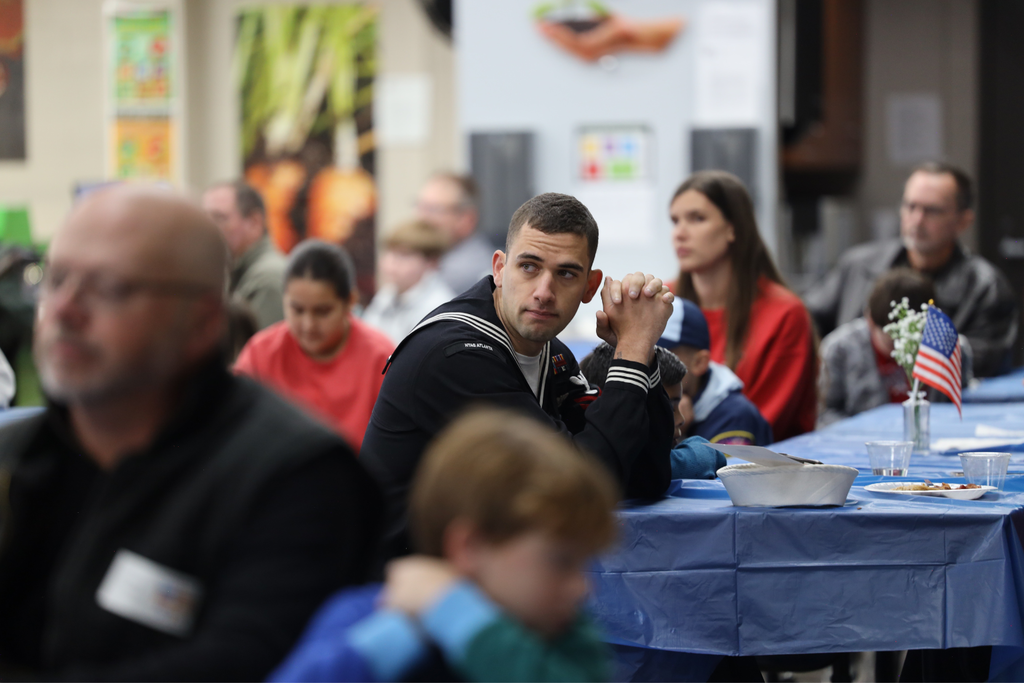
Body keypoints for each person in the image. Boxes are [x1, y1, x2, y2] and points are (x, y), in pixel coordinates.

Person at [0, 186, 382, 681]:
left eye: (110, 287)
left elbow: (238, 665)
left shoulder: (299, 478)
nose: (65, 311)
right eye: (54, 280)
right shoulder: (20, 458)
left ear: (202, 321)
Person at [362, 192, 675, 565]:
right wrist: (633, 350)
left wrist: (641, 352)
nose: (544, 292)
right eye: (529, 267)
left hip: (471, 579)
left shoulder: (548, 351)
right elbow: (578, 487)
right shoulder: (456, 356)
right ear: (499, 268)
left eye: (566, 273)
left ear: (590, 288)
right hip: (398, 595)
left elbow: (646, 476)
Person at [270, 409, 618, 682]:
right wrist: (408, 630)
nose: (582, 588)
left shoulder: (568, 641)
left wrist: (455, 614)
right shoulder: (367, 614)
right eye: (560, 561)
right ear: (469, 547)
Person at [805, 162, 1018, 377]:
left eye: (932, 210)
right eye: (910, 206)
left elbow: (984, 362)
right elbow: (805, 322)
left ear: (963, 220)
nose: (917, 220)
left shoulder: (985, 287)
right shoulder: (859, 266)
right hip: (854, 402)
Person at [670, 170, 816, 440]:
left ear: (732, 228)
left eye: (697, 218)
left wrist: (673, 430)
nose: (679, 233)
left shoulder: (784, 314)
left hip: (762, 470)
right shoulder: (662, 300)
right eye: (675, 220)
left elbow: (753, 428)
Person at [234, 240, 395, 450]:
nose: (308, 325)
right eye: (297, 310)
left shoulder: (381, 358)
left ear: (350, 301)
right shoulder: (260, 353)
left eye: (322, 311)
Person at [818, 268, 974, 426]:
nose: (905, 349)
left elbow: (963, 408)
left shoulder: (950, 348)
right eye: (894, 341)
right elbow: (823, 414)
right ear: (870, 320)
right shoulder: (839, 350)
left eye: (917, 339)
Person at [580, 341, 727, 480]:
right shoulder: (608, 466)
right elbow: (708, 456)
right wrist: (702, 451)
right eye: (667, 407)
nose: (681, 419)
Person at [656, 298, 773, 446]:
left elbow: (715, 469)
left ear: (699, 363)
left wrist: (670, 433)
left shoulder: (733, 417)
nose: (646, 364)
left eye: (659, 355)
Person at [202, 180, 288, 329]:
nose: (208, 229)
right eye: (204, 219)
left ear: (254, 223)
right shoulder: (238, 270)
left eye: (219, 219)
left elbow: (254, 349)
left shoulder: (267, 279)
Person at [361, 219, 455, 343]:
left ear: (431, 262)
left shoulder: (439, 307)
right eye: (389, 252)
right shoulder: (388, 292)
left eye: (403, 255)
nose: (391, 262)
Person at [416, 173, 495, 295]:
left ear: (467, 219)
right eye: (420, 207)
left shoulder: (465, 273)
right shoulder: (440, 259)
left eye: (433, 209)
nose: (421, 218)